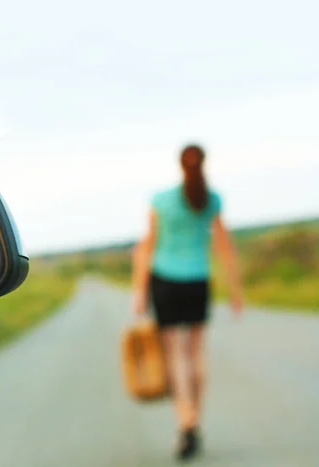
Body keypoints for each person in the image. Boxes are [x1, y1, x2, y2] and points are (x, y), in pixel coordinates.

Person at [131, 144, 244, 461]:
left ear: (180, 164)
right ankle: (195, 418)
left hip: (165, 281)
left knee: (175, 354)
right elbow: (224, 247)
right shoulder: (212, 199)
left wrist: (139, 291)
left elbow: (147, 246)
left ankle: (185, 420)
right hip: (197, 280)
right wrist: (236, 291)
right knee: (196, 353)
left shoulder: (161, 200)